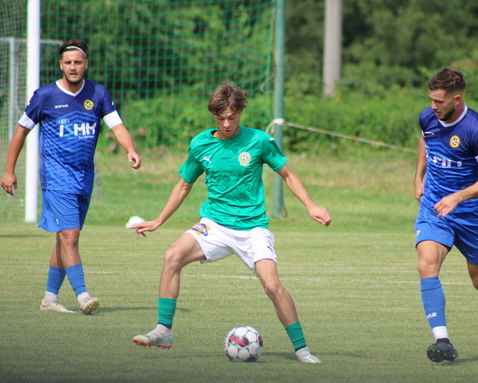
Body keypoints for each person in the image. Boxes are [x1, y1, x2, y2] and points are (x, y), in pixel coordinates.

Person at [130, 82, 331, 363]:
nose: (226, 124)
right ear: (213, 115)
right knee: (172, 256)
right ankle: (164, 330)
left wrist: (311, 206)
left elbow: (288, 174)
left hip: (252, 229)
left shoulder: (259, 140)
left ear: (240, 113)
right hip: (214, 225)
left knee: (272, 286)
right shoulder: (201, 144)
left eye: (232, 117)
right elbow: (183, 185)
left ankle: (302, 350)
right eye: (220, 118)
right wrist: (159, 220)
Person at [1, 39, 141, 314]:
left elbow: (117, 125)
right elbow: (21, 131)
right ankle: (83, 295)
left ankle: (50, 300)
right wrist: (8, 169)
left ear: (86, 64)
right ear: (60, 65)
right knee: (70, 238)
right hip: (56, 177)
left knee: (64, 239)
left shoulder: (98, 93)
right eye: (68, 62)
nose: (73, 67)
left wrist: (131, 149)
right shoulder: (45, 96)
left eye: (78, 62)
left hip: (84, 178)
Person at [413, 67, 478, 362]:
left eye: (439, 102)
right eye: (431, 100)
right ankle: (442, 341)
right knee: (426, 264)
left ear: (456, 99)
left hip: (474, 215)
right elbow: (425, 142)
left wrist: (458, 197)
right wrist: (418, 178)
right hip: (436, 209)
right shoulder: (428, 118)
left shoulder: (476, 130)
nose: (433, 107)